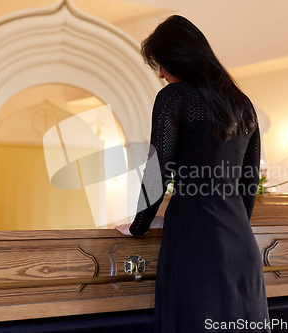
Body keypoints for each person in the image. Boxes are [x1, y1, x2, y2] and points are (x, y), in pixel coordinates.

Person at [115, 15, 270, 333]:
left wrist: (140, 225)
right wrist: (237, 225)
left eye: (161, 64)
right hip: (241, 242)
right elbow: (248, 184)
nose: (159, 74)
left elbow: (158, 171)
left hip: (195, 243)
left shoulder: (174, 98)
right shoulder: (244, 105)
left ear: (178, 59)